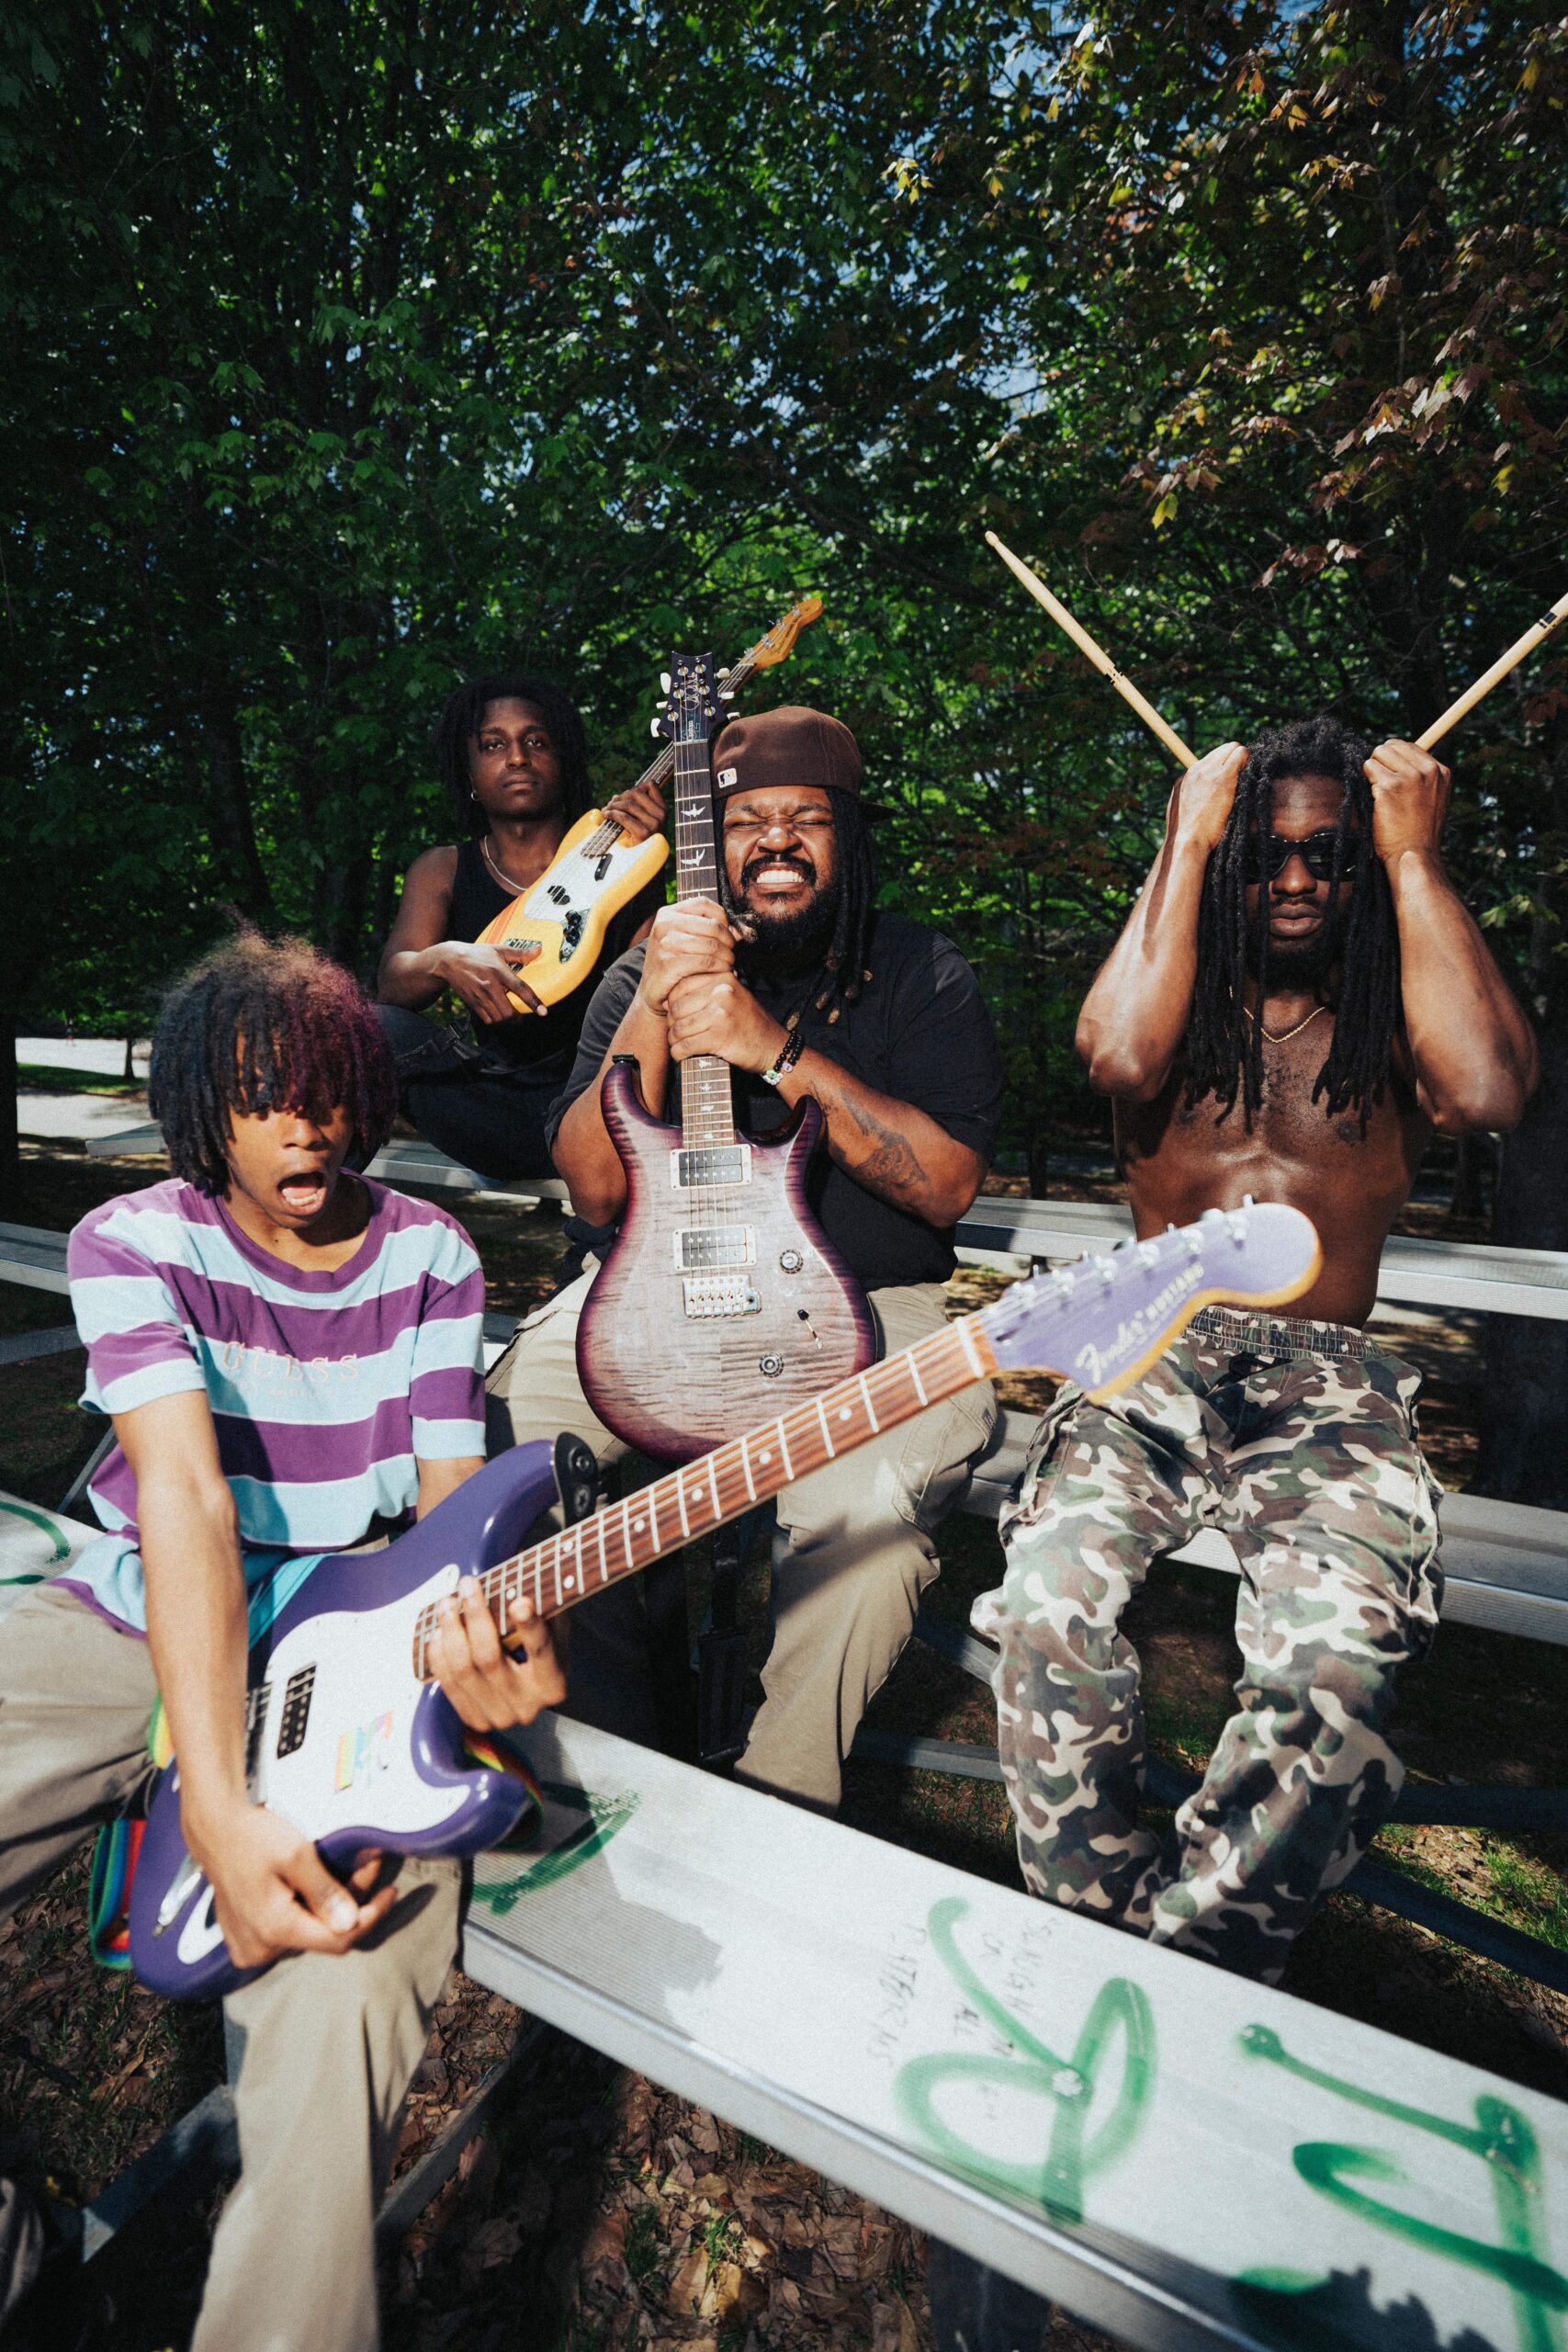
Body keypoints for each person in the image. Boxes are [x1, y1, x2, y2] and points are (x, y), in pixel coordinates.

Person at [0, 933, 566, 2352]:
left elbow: (450, 1521)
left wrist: (483, 1649)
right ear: (205, 1110)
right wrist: (212, 1795)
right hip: (131, 1616)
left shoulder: (432, 1254)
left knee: (350, 1985)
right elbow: (186, 1504)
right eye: (258, 1097)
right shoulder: (132, 1241)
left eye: (323, 1090)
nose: (300, 1124)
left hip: (348, 1652)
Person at [977, 718, 1538, 1983]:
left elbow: (1486, 1095)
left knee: (1337, 1664)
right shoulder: (1172, 997)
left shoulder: (1394, 1010)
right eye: (1263, 856)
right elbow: (1116, 1054)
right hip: (1147, 1357)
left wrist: (1415, 860)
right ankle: (1091, 1926)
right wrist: (1184, 840)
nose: (1292, 880)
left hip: (1325, 1380)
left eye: (1327, 856)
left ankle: (1194, 1959)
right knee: (1040, 1606)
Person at [486, 704, 1007, 1811]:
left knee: (866, 1521)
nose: (775, 840)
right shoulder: (641, 970)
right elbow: (592, 1187)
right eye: (746, 821)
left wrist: (772, 1047)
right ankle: (602, 1765)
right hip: (648, 1294)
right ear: (708, 845)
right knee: (499, 1450)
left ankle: (776, 1810)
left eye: (806, 819)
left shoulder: (920, 969)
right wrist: (661, 1002)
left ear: (847, 835)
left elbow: (946, 1184)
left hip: (874, 1307)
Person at [377, 672, 666, 1184]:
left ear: (562, 761)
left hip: (599, 1110)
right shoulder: (442, 869)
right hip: (489, 1108)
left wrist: (646, 863)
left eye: (536, 741)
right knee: (367, 1027)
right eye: (493, 744)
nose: (517, 758)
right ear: (468, 773)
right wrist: (446, 958)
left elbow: (652, 989)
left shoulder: (627, 863)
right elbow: (392, 986)